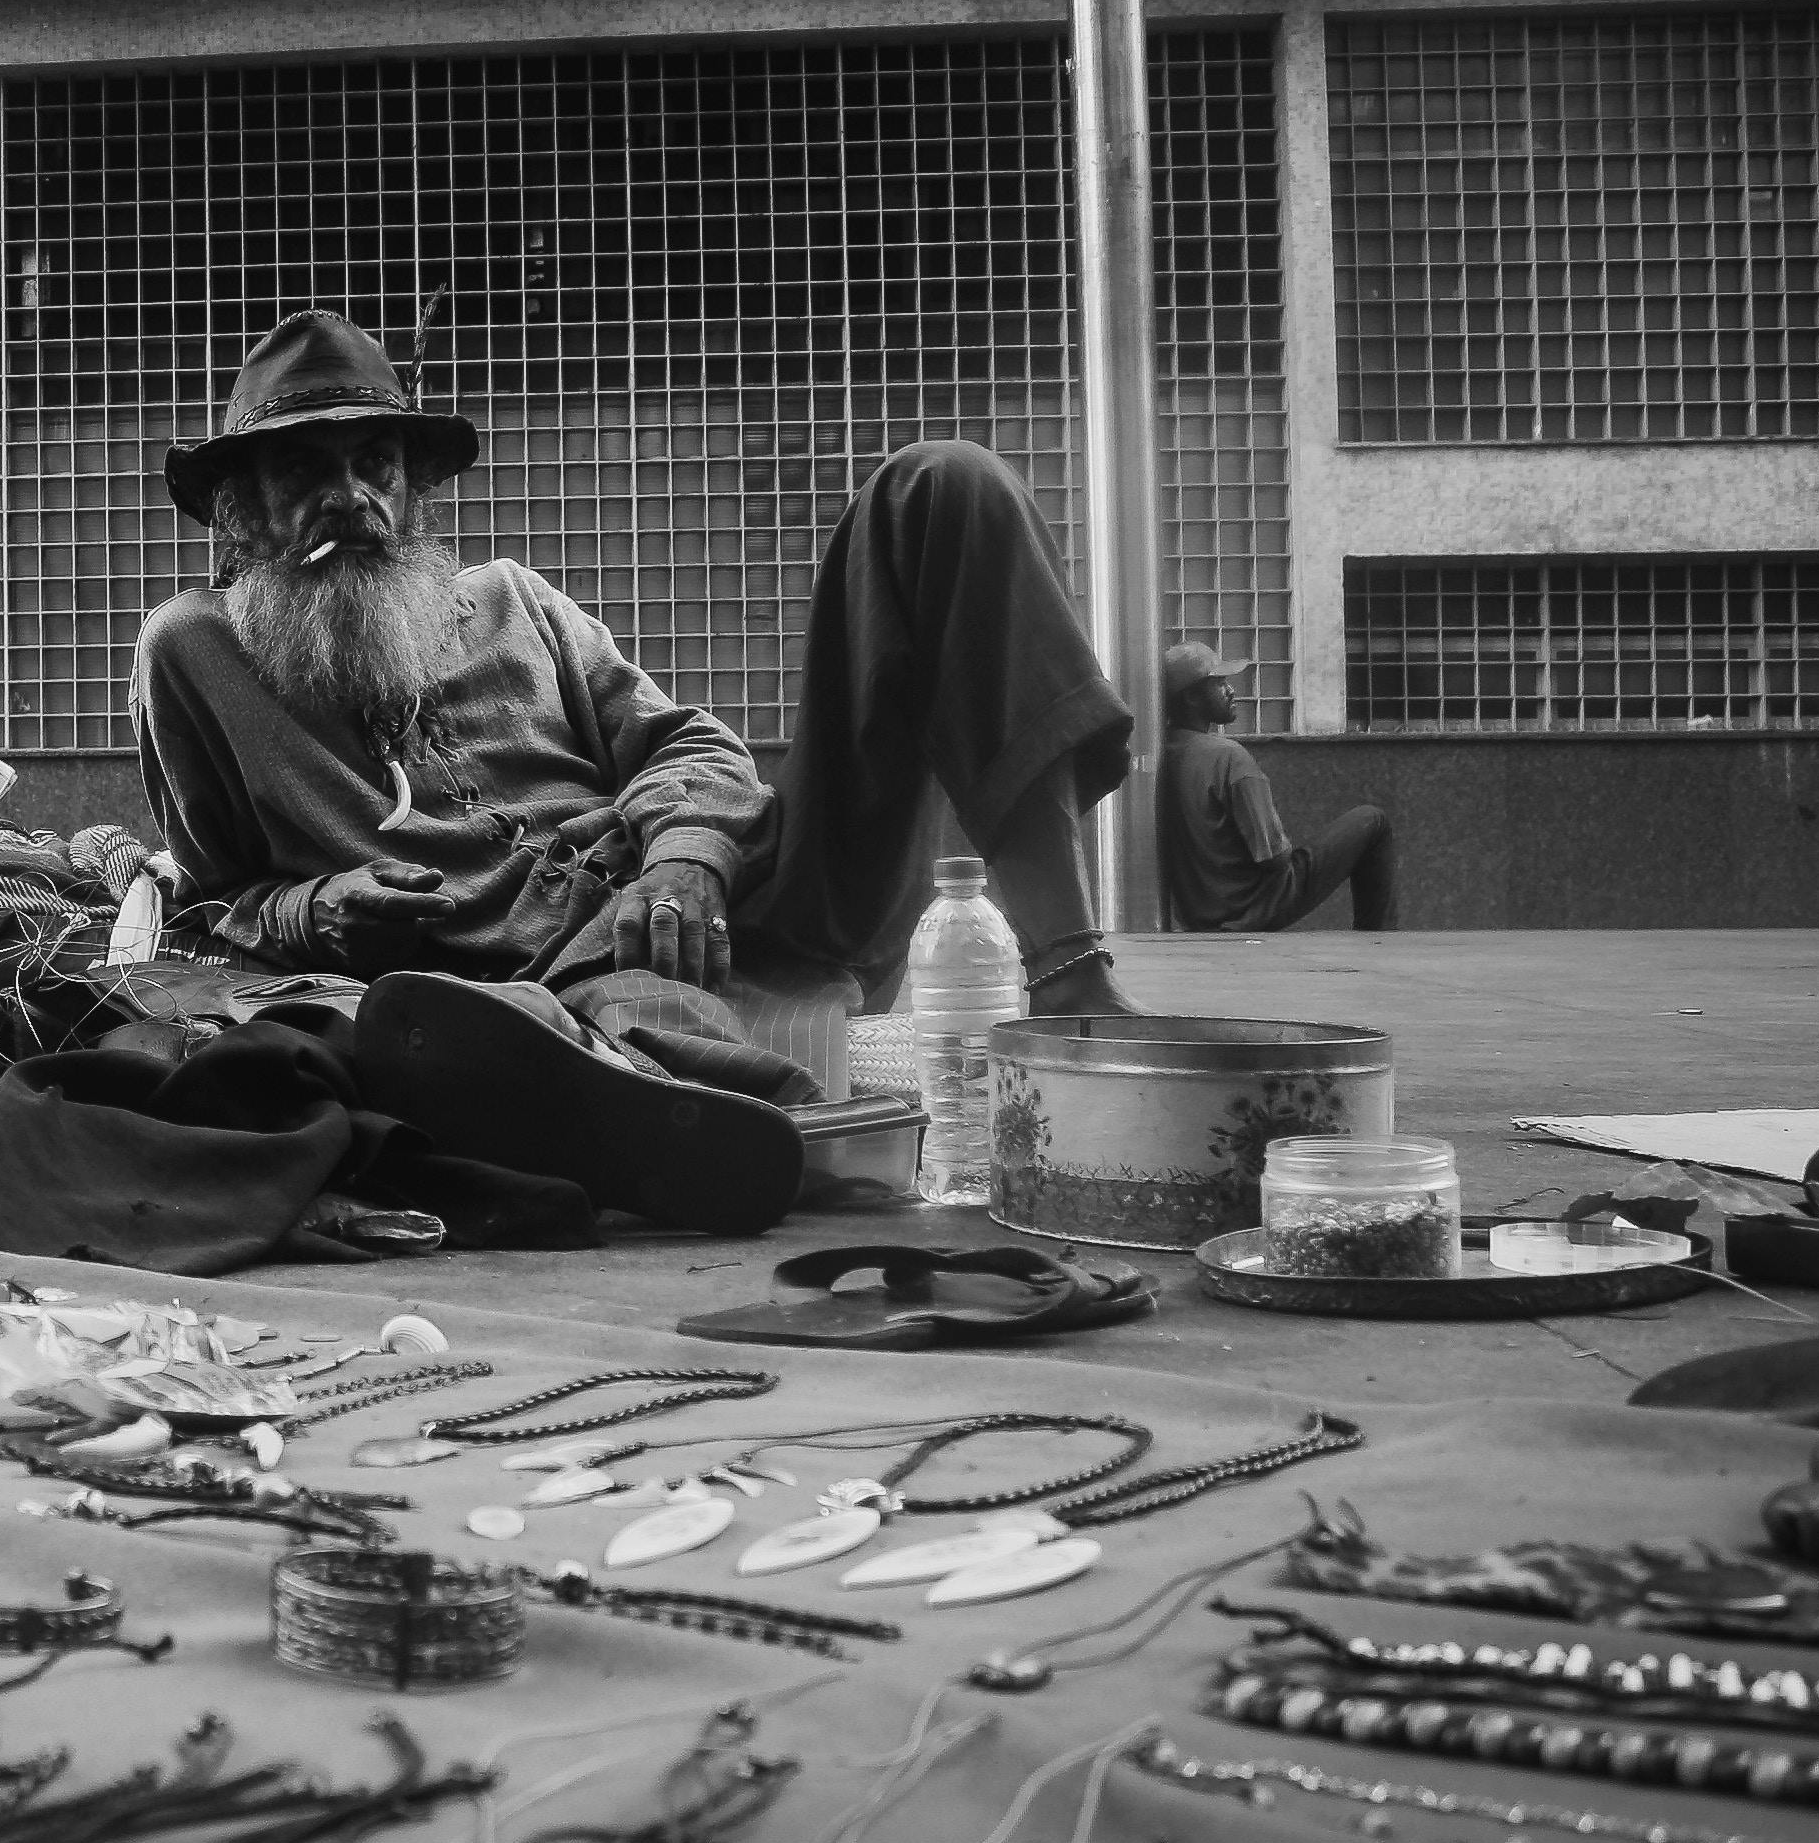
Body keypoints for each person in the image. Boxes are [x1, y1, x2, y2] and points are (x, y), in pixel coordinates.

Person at [132, 310, 1149, 1220]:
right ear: (240, 511)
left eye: (376, 465)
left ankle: (1069, 978)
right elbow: (224, 902)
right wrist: (326, 902)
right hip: (547, 985)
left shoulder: (513, 601)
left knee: (944, 485)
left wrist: (684, 856)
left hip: (753, 894)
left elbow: (695, 747)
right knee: (616, 1032)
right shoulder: (194, 652)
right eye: (308, 470)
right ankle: (752, 1117)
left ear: (414, 488)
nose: (350, 497)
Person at [1159, 640, 1395, 933]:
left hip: (1197, 915)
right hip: (1253, 907)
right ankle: (1379, 938)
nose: (1231, 690)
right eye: (1219, 683)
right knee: (1372, 820)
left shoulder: (1161, 754)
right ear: (1192, 697)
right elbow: (1274, 858)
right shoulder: (1229, 757)